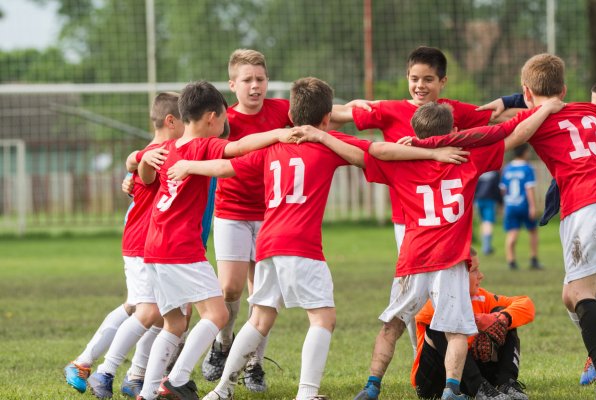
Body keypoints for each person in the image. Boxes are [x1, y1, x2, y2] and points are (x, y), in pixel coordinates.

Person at [164, 77, 467, 400]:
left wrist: (190, 166)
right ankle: (306, 395)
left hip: (268, 242)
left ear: (291, 116)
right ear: (326, 119)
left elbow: (226, 167)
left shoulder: (271, 148)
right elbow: (378, 151)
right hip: (300, 244)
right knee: (323, 318)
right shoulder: (327, 143)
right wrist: (431, 153)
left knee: (260, 317)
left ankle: (222, 390)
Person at [414, 55, 596, 400]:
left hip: (585, 202)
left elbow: (491, 135)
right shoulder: (591, 109)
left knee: (581, 294)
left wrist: (423, 144)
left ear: (526, 92)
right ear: (563, 89)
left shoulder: (535, 118)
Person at [349, 100, 564, 400]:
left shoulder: (399, 159)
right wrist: (546, 109)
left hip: (414, 255)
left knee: (393, 325)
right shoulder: (467, 155)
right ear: (453, 129)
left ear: (414, 130)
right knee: (456, 330)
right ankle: (452, 390)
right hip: (450, 257)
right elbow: (517, 134)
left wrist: (319, 135)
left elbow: (363, 153)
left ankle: (372, 386)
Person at [329, 46, 511, 355]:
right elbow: (332, 114)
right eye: (414, 78)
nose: (420, 86)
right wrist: (318, 118)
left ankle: (448, 361)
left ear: (443, 82)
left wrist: (518, 101)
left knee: (446, 298)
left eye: (428, 79)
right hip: (409, 222)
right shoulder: (388, 109)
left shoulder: (454, 111)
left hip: (448, 225)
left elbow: (498, 116)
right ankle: (422, 359)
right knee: (414, 298)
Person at [134, 81, 297, 400]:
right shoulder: (201, 146)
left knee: (175, 323)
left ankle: (149, 393)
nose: (226, 128)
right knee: (219, 315)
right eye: (224, 121)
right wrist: (278, 135)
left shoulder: (169, 148)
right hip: (180, 248)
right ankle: (177, 378)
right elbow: (235, 152)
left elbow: (143, 173)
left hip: (154, 248)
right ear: (211, 117)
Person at [63, 93, 182, 397]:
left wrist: (134, 159)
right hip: (145, 244)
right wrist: (136, 158)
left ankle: (100, 366)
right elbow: (141, 171)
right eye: (188, 118)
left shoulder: (155, 152)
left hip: (158, 243)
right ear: (172, 121)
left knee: (144, 307)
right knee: (150, 310)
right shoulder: (159, 153)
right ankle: (105, 371)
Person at [201, 49, 294, 391]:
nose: (255, 86)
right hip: (232, 213)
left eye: (260, 79)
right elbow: (185, 146)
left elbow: (328, 115)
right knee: (230, 288)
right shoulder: (222, 121)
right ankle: (223, 344)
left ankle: (254, 363)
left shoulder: (283, 111)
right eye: (247, 80)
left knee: (264, 294)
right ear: (232, 84)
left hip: (272, 215)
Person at [412, 248, 534, 400]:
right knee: (439, 325)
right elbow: (452, 328)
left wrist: (501, 318)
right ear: (456, 276)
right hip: (434, 383)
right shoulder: (433, 300)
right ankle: (478, 388)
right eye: (474, 270)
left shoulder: (482, 297)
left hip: (473, 373)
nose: (481, 275)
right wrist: (479, 325)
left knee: (504, 316)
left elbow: (526, 304)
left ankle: (507, 383)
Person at [500, 145, 541, 271]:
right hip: (524, 205)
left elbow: (503, 189)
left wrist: (505, 204)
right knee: (533, 231)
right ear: (525, 152)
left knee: (512, 233)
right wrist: (533, 206)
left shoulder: (507, 168)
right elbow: (529, 188)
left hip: (510, 205)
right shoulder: (527, 168)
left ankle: (511, 260)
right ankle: (534, 259)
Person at [475, 170, 503, 255]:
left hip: (478, 200)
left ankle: (485, 245)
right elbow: (497, 189)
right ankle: (486, 247)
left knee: (483, 222)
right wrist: (501, 202)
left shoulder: (479, 172)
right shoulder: (494, 174)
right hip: (490, 200)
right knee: (488, 223)